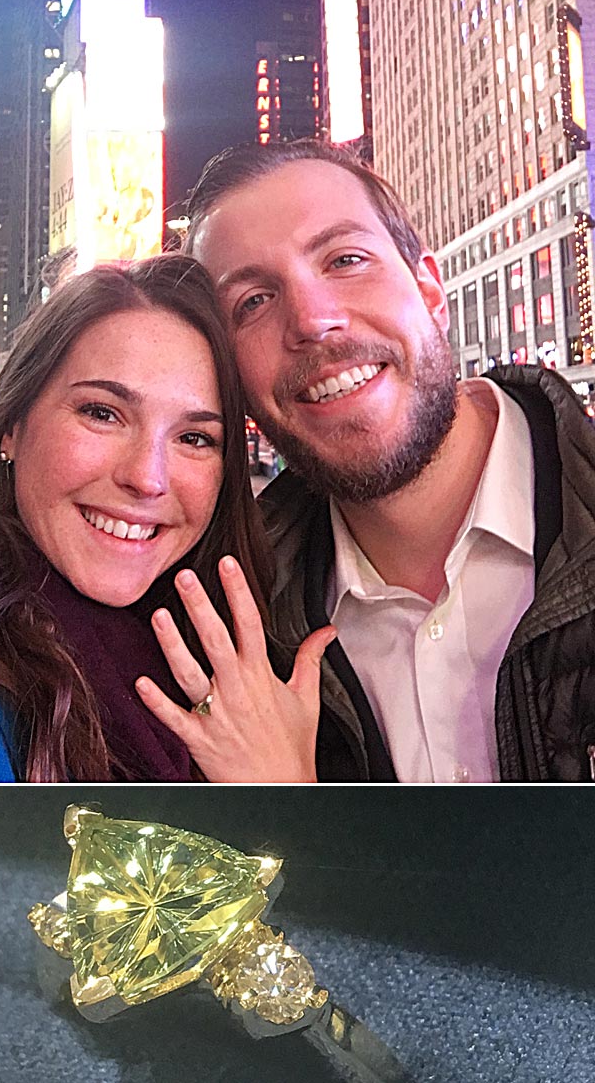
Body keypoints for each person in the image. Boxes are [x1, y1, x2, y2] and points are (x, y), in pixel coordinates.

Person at [0, 256, 327, 783]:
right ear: (11, 426)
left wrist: (281, 789)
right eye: (102, 412)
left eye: (194, 438)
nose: (147, 478)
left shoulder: (242, 677)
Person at [175, 137, 595, 783]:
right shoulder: (235, 638)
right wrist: (288, 822)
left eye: (345, 259)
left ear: (430, 290)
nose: (313, 321)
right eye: (252, 302)